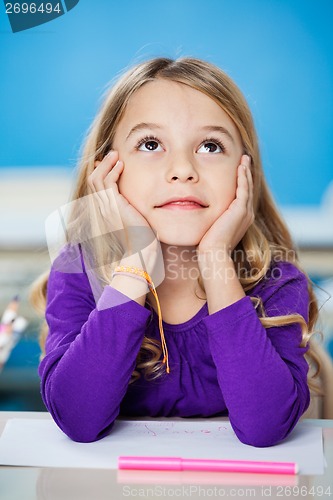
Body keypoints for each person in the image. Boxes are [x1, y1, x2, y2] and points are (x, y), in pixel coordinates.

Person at [31, 57, 320, 447]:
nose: (182, 169)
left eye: (210, 145)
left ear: (244, 173)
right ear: (106, 171)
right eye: (150, 144)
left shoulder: (277, 281)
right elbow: (78, 420)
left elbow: (266, 428)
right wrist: (136, 260)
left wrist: (216, 257)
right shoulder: (77, 269)